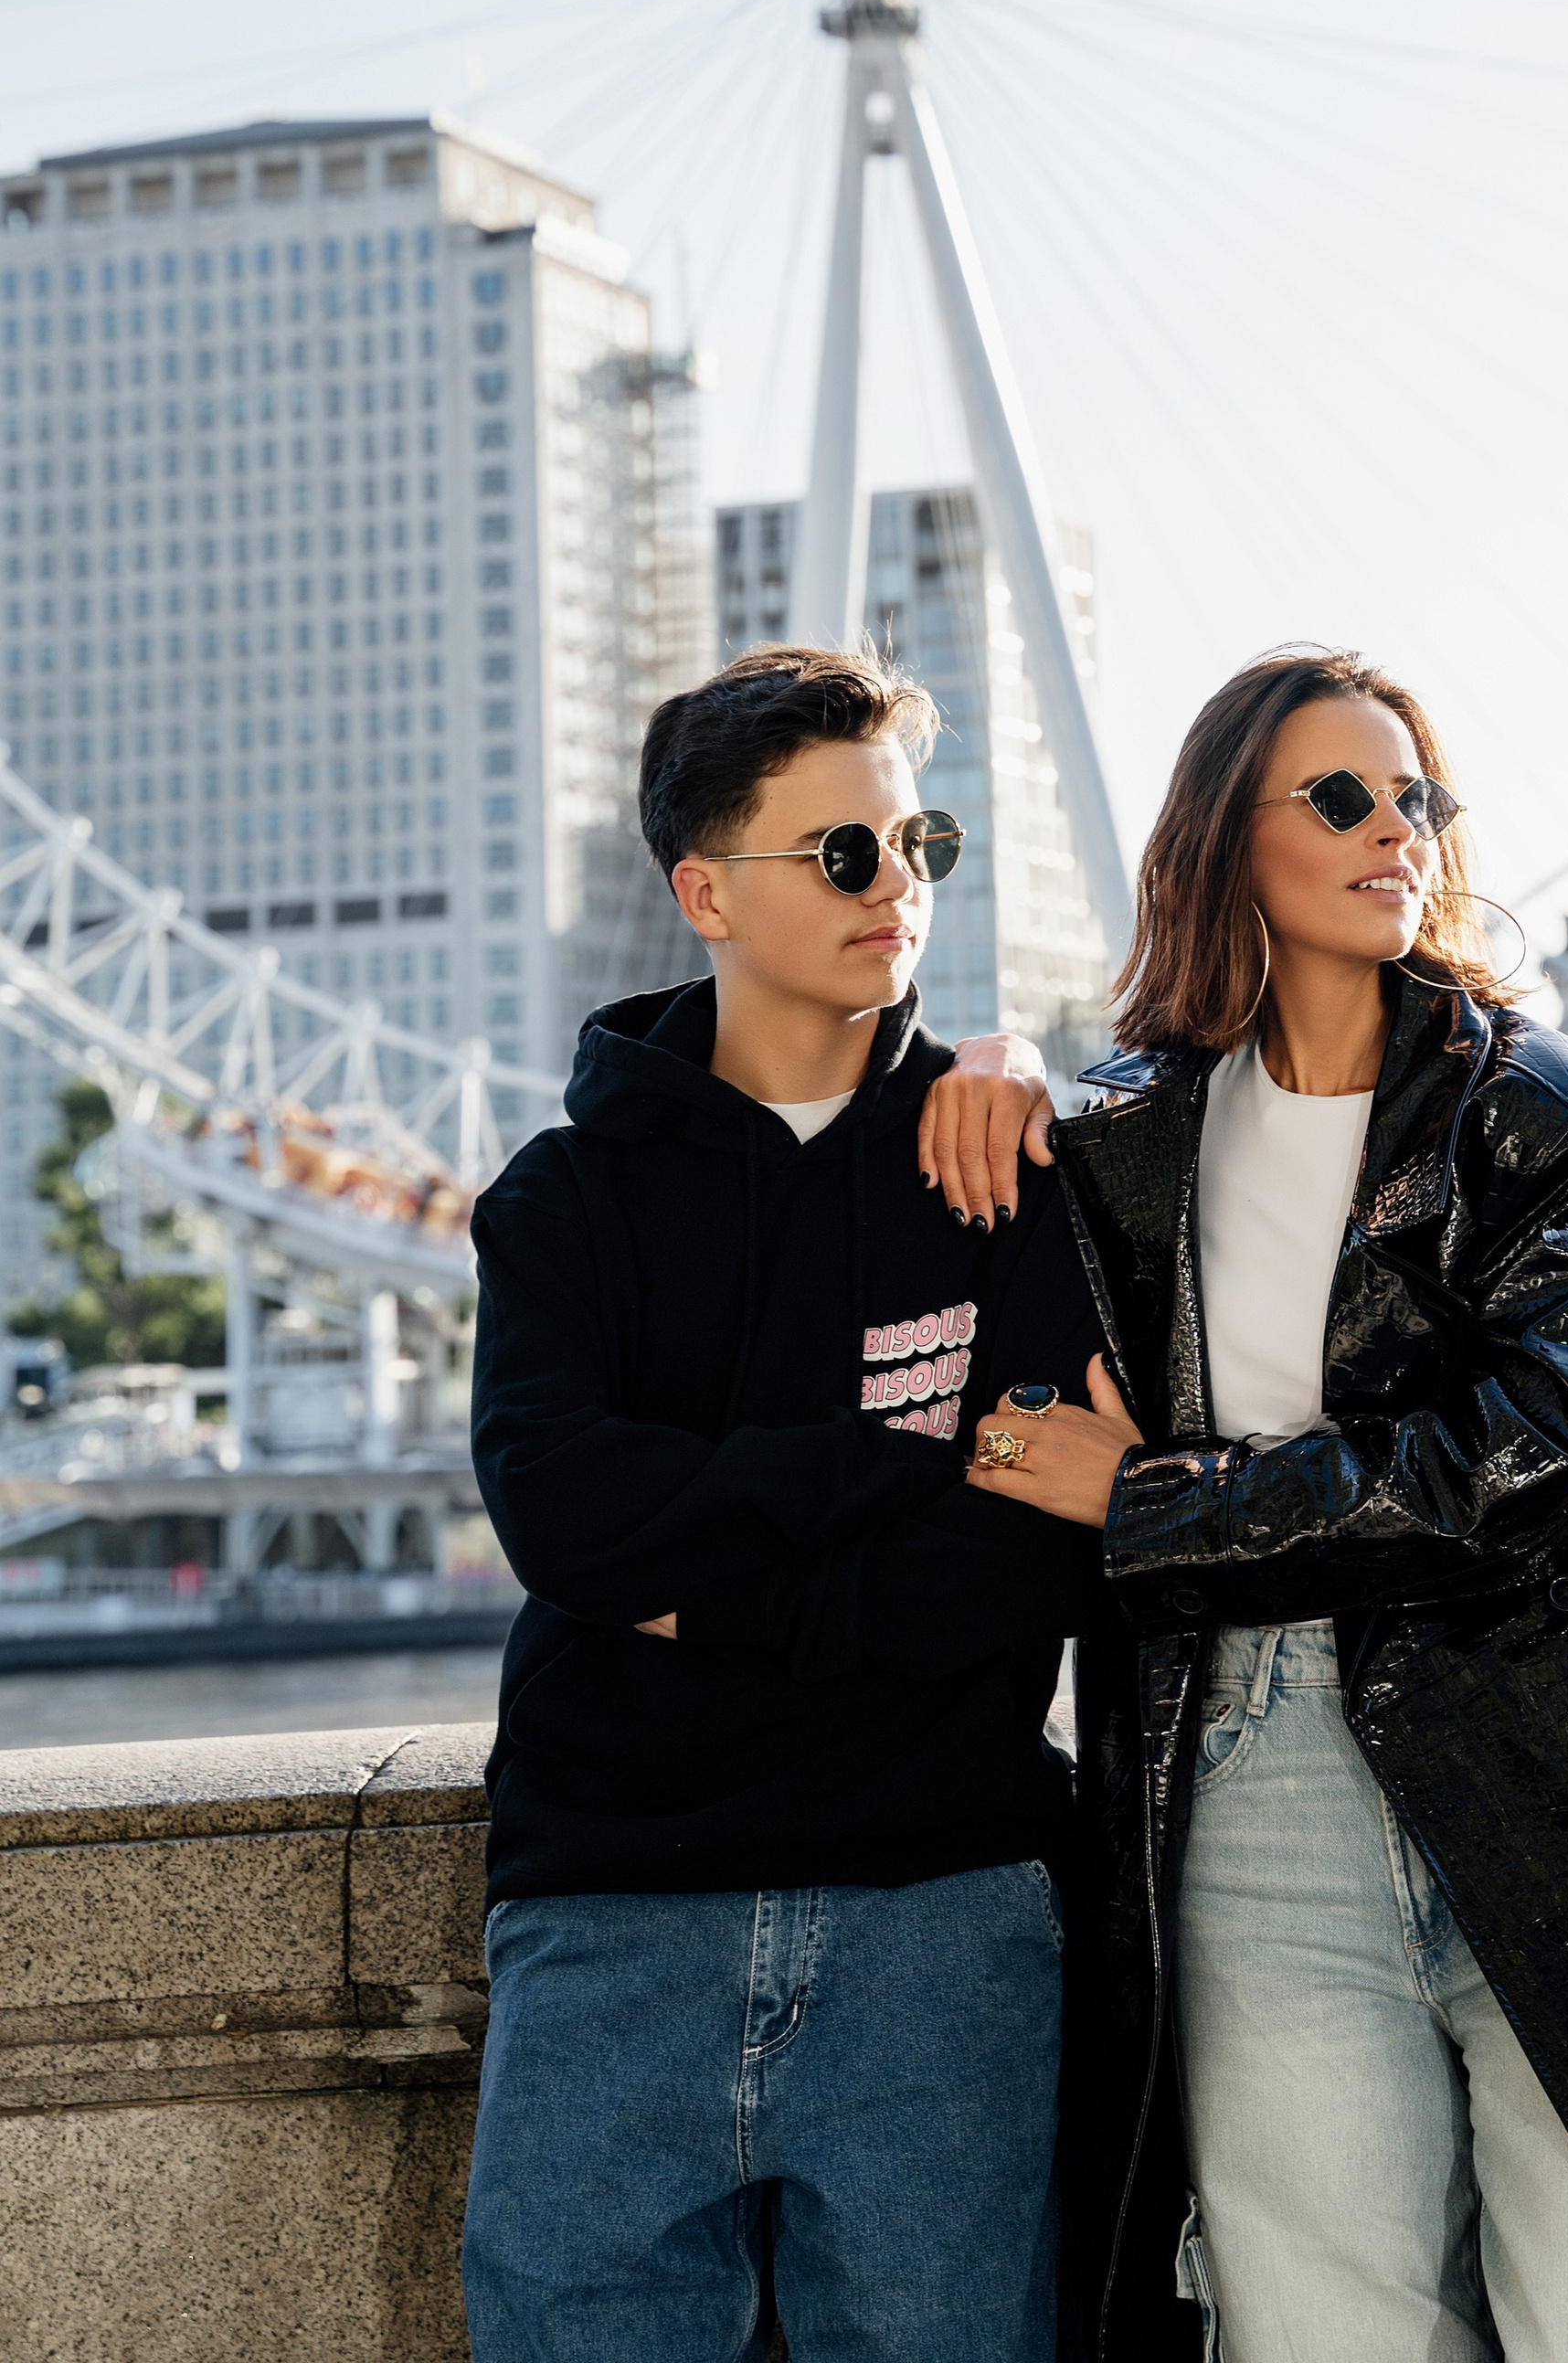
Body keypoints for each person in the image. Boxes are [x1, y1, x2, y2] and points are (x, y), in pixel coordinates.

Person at [922, 647, 1568, 2363]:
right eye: (1342, 798)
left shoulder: (1551, 1114)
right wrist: (989, 1057)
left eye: (1418, 798)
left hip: (1553, 1762)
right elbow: (991, 1416)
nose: (1399, 833)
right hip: (1244, 1787)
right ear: (1226, 839)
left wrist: (1155, 1503)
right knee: (1325, 2329)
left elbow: (1518, 1464)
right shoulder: (1118, 1139)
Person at [461, 642, 1118, 2363]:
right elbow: (565, 1520)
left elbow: (1026, 1564)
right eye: (843, 853)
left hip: (948, 1912)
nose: (895, 886)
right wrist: (883, 1468)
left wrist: (704, 1574)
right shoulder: (561, 1203)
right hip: (611, 1916)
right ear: (704, 892)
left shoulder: (1018, 1177)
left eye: (921, 845)